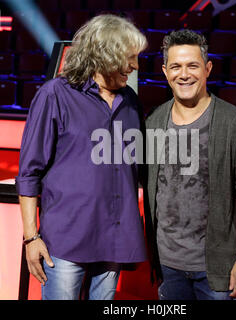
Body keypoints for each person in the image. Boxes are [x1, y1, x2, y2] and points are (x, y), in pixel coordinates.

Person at [15, 14, 148, 300]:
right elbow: (29, 173)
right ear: (105, 54)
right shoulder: (55, 95)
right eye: (130, 57)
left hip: (115, 240)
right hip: (65, 241)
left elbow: (138, 168)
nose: (136, 66)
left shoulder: (132, 102)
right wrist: (31, 237)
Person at [144, 29, 236, 300]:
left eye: (193, 66)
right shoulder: (153, 120)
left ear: (208, 69)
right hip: (168, 266)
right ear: (165, 71)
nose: (184, 74)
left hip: (218, 269)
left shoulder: (234, 121)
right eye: (175, 66)